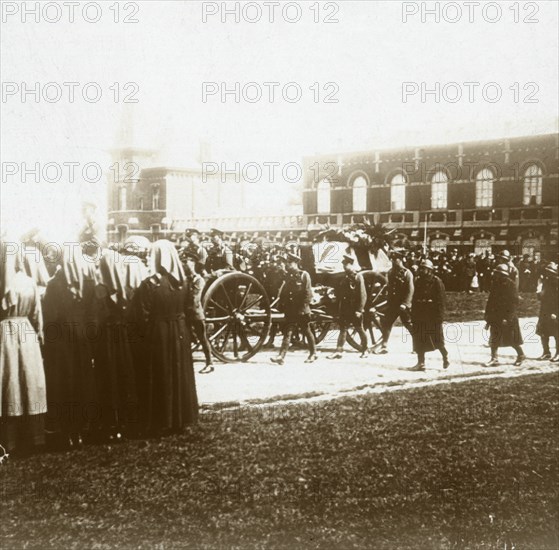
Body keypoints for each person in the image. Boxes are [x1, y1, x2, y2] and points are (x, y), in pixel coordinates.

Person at [134, 240, 198, 435]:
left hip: (158, 332)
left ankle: (162, 420)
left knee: (160, 373)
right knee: (180, 373)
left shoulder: (150, 284)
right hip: (179, 330)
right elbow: (190, 309)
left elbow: (141, 315)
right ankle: (182, 419)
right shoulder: (183, 282)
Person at [42, 245, 99, 449]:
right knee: (82, 383)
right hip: (82, 341)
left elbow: (50, 318)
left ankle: (66, 432)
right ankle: (81, 430)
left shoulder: (55, 284)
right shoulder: (89, 284)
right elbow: (94, 316)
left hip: (62, 345)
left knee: (65, 386)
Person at [0, 241, 47, 456]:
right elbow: (37, 312)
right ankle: (34, 438)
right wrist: (39, 331)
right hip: (26, 330)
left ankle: (10, 441)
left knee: (10, 383)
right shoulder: (29, 282)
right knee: (28, 381)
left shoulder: (3, 284)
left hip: (6, 332)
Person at [92, 250, 138, 441]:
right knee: (123, 374)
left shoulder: (99, 289)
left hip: (106, 338)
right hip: (121, 336)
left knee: (108, 376)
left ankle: (111, 423)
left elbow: (96, 316)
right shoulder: (125, 289)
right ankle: (126, 421)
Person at [271, 253, 317, 365]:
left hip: (302, 309)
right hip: (291, 309)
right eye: (288, 263)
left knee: (306, 331)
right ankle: (281, 356)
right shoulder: (288, 276)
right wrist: (282, 306)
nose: (288, 265)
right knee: (288, 332)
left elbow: (308, 293)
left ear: (296, 263)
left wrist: (303, 308)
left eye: (290, 263)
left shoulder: (304, 275)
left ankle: (313, 353)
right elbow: (285, 293)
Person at [409, 260, 449, 371]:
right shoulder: (418, 281)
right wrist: (413, 314)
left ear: (430, 270)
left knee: (437, 339)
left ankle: (445, 356)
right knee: (419, 339)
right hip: (420, 315)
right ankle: (421, 363)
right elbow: (415, 299)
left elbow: (441, 301)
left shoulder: (437, 282)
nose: (421, 270)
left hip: (432, 315)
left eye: (424, 268)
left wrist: (439, 317)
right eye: (421, 268)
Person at [484, 264, 525, 367]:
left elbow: (513, 303)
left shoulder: (511, 285)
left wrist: (508, 318)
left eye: (497, 273)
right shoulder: (495, 284)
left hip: (507, 317)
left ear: (502, 274)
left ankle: (521, 355)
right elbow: (491, 301)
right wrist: (487, 316)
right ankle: (494, 359)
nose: (495, 275)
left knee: (511, 339)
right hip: (495, 316)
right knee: (494, 337)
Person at [327, 255, 368, 359]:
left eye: (347, 265)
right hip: (345, 309)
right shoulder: (345, 278)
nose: (345, 267)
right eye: (344, 265)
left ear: (352, 265)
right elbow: (342, 293)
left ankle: (365, 350)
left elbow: (363, 295)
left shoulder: (358, 277)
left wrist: (359, 310)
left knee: (360, 329)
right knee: (343, 329)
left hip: (355, 309)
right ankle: (339, 351)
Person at [374, 249, 414, 354]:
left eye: (395, 259)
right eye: (392, 259)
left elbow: (410, 290)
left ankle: (417, 346)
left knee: (408, 324)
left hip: (403, 305)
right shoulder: (391, 272)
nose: (393, 261)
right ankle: (384, 345)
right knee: (387, 323)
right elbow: (389, 287)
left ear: (400, 260)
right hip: (393, 304)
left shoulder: (407, 273)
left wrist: (405, 304)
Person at [183, 251, 213, 374]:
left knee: (203, 338)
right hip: (186, 314)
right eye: (185, 262)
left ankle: (210, 363)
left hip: (195, 314)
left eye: (188, 262)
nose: (185, 264)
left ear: (194, 263)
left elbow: (194, 298)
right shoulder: (186, 279)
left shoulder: (198, 280)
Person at [536, 262, 558, 361]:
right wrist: (539, 289)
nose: (548, 274)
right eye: (547, 272)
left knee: (557, 333)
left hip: (554, 311)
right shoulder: (545, 281)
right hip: (545, 310)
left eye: (551, 272)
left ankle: (558, 353)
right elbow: (541, 297)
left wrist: (555, 312)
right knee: (543, 332)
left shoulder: (557, 282)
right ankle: (546, 352)